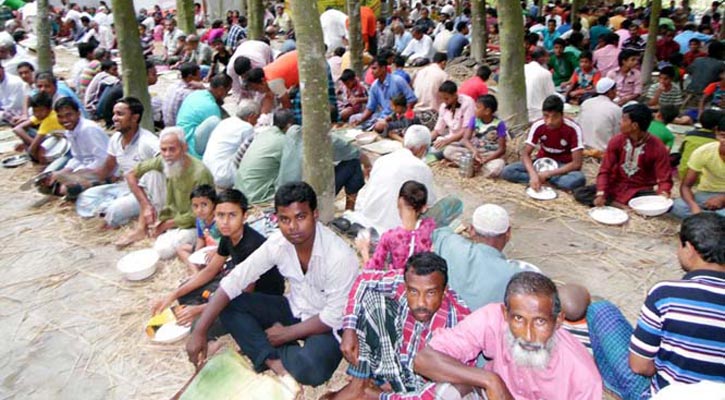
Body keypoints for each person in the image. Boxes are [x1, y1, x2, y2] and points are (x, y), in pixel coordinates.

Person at [186, 182, 359, 387]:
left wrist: (287, 334)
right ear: (276, 219)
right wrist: (200, 332)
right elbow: (235, 280)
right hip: (293, 307)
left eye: (300, 217)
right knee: (229, 304)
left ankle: (263, 345)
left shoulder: (339, 257)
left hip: (326, 324)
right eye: (285, 219)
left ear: (315, 214)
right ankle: (273, 361)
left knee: (312, 370)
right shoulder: (278, 243)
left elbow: (334, 316)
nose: (292, 227)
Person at [414, 271, 603, 400]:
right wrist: (491, 380)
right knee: (448, 392)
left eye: (540, 322)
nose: (528, 335)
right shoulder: (493, 319)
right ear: (505, 315)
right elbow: (424, 360)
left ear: (558, 321)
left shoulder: (583, 377)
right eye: (518, 319)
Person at [323, 252, 469, 400]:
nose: (421, 303)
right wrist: (349, 328)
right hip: (399, 365)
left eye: (430, 293)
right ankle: (361, 382)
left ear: (444, 292)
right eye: (413, 292)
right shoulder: (407, 280)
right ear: (406, 286)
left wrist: (382, 396)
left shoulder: (459, 327)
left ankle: (374, 390)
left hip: (423, 389)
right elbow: (363, 280)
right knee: (371, 299)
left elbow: (441, 394)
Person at [151, 189, 284, 347]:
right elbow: (210, 270)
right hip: (237, 284)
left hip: (260, 298)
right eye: (220, 215)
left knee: (199, 327)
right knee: (184, 292)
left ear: (245, 216)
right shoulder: (228, 236)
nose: (225, 222)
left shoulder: (251, 246)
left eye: (232, 215)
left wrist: (199, 310)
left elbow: (243, 295)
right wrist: (172, 295)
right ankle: (206, 302)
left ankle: (207, 307)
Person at [630, 213, 725, 395]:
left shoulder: (665, 293)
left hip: (668, 394)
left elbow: (640, 367)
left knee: (601, 311)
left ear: (688, 248)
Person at [114, 127, 214, 255]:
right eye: (163, 150)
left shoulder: (199, 173)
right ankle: (142, 228)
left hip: (194, 223)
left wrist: (166, 225)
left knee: (163, 251)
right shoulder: (164, 160)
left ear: (184, 148)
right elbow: (130, 174)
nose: (167, 155)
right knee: (151, 174)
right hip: (173, 215)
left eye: (172, 149)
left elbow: (201, 213)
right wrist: (145, 206)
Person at [74, 97, 162, 228]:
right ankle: (107, 209)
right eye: (114, 113)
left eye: (120, 114)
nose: (114, 118)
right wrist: (78, 179)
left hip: (146, 193)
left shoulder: (149, 142)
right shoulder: (116, 139)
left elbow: (167, 165)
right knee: (84, 199)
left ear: (134, 118)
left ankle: (110, 211)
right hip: (124, 187)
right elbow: (106, 169)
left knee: (114, 211)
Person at [574, 103, 672, 207]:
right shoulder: (616, 141)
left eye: (624, 120)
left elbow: (664, 179)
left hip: (639, 190)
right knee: (581, 193)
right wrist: (601, 192)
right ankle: (618, 204)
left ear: (635, 126)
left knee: (652, 201)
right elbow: (605, 170)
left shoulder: (658, 147)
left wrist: (663, 194)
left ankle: (615, 204)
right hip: (614, 185)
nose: (620, 123)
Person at [432, 203, 521, 310]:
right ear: (508, 233)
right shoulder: (516, 276)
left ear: (471, 230)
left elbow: (436, 227)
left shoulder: (451, 245)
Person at [355, 125, 436, 234]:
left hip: (366, 223)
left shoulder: (382, 160)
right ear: (422, 148)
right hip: (396, 232)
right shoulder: (422, 169)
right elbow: (429, 203)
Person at [277, 119, 370, 211]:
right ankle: (349, 210)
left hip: (282, 197)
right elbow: (357, 153)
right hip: (307, 201)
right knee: (353, 162)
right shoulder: (327, 139)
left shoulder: (292, 131)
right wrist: (368, 166)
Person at [502, 95, 586, 191]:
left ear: (562, 115)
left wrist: (549, 174)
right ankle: (545, 181)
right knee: (507, 171)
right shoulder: (538, 125)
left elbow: (577, 163)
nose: (549, 121)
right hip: (541, 162)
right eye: (546, 116)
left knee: (578, 179)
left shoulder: (573, 128)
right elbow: (526, 154)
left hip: (563, 166)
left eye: (554, 117)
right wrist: (533, 175)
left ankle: (544, 180)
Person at [356, 181, 435, 272]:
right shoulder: (430, 227)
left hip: (398, 282)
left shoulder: (390, 236)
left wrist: (364, 250)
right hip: (424, 280)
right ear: (424, 208)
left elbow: (371, 270)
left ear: (398, 203)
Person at [40, 97, 109, 197]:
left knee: (66, 189)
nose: (65, 120)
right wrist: (63, 172)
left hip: (102, 170)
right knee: (50, 181)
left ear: (78, 113)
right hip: (87, 167)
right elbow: (77, 158)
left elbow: (103, 160)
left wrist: (74, 175)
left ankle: (103, 183)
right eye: (60, 116)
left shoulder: (88, 129)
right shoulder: (70, 131)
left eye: (69, 115)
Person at [234, 109, 293, 205]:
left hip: (239, 190)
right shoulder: (284, 142)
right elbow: (293, 172)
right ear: (289, 126)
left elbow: (236, 159)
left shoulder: (261, 134)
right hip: (257, 198)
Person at [443, 94, 508, 178]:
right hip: (475, 152)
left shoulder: (499, 124)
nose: (475, 110)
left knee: (497, 167)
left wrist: (486, 160)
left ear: (487, 111)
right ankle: (474, 167)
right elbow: (465, 139)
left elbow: (502, 149)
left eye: (478, 107)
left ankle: (470, 166)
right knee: (448, 151)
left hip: (490, 155)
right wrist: (474, 151)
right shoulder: (474, 119)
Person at [202, 99, 260, 189]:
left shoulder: (225, 122)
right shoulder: (247, 128)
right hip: (223, 175)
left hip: (206, 169)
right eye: (257, 118)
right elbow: (249, 154)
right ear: (251, 116)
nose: (256, 122)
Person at [350, 56, 417, 133]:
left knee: (379, 126)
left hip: (398, 117)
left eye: (374, 68)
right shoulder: (374, 86)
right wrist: (360, 120)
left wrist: (402, 114)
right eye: (371, 68)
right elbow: (370, 108)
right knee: (354, 119)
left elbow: (412, 100)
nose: (372, 72)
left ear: (383, 68)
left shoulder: (398, 80)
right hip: (383, 116)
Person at [671, 125, 725, 218]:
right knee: (678, 206)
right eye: (723, 136)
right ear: (716, 133)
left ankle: (709, 219)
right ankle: (713, 219)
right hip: (709, 193)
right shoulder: (704, 151)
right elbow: (686, 186)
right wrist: (694, 207)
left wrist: (722, 199)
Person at [176, 73, 232, 159]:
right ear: (221, 89)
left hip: (181, 138)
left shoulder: (197, 94)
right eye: (226, 92)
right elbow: (219, 135)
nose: (225, 96)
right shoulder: (211, 107)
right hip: (191, 147)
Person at [175, 185, 222, 271]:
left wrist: (216, 251)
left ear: (214, 204)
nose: (199, 210)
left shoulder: (220, 220)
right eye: (195, 206)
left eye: (204, 205)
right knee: (180, 249)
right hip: (207, 248)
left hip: (220, 250)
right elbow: (201, 238)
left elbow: (229, 241)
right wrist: (197, 253)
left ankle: (201, 271)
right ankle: (195, 271)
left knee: (215, 264)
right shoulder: (200, 220)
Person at [11, 91, 64, 161]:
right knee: (27, 130)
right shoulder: (43, 115)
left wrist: (31, 149)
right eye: (35, 111)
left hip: (62, 141)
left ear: (49, 109)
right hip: (52, 136)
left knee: (36, 150)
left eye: (41, 110)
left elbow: (32, 149)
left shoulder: (50, 119)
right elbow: (17, 129)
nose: (38, 114)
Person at [577, 77, 623, 151]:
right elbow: (618, 135)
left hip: (583, 147)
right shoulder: (616, 109)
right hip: (602, 152)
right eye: (615, 89)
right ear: (610, 91)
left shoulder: (586, 103)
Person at [161, 62, 204, 128]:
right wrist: (203, 88)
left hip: (167, 125)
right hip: (180, 129)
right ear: (190, 77)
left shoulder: (172, 86)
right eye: (198, 75)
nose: (200, 78)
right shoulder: (189, 93)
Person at [524, 47, 556, 122]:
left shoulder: (524, 68)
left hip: (522, 111)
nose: (548, 59)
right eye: (547, 56)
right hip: (537, 114)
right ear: (542, 58)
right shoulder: (545, 73)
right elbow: (551, 96)